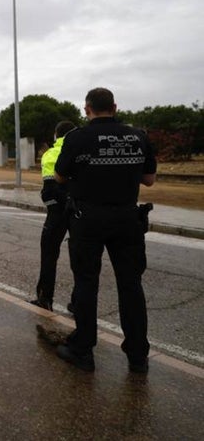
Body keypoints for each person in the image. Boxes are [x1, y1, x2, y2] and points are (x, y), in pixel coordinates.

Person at [53, 88, 156, 373]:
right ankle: (138, 357)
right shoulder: (138, 136)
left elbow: (60, 175)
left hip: (88, 220)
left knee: (86, 283)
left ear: (87, 110)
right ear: (114, 106)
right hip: (127, 217)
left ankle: (83, 350)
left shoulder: (77, 138)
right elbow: (149, 179)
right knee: (131, 286)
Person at [29, 121, 76, 311]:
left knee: (48, 255)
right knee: (81, 259)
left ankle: (45, 298)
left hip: (57, 212)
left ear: (56, 135)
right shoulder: (81, 149)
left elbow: (49, 189)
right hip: (80, 210)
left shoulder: (50, 154)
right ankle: (78, 303)